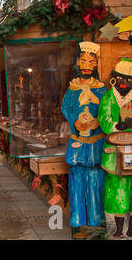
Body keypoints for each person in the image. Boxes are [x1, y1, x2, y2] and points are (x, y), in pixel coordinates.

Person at [61, 42, 107, 239]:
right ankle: (78, 222)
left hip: (97, 144)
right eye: (83, 61)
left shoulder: (102, 89)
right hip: (78, 143)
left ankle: (97, 223)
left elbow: (107, 111)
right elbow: (66, 108)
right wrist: (75, 121)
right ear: (77, 63)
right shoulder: (72, 89)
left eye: (91, 61)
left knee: (96, 182)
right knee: (77, 182)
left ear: (96, 64)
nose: (87, 65)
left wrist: (99, 121)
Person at [98, 58, 132, 238]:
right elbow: (103, 119)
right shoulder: (108, 97)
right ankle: (117, 229)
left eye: (128, 79)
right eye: (121, 79)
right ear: (114, 79)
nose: (124, 83)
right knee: (116, 190)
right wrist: (117, 126)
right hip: (114, 152)